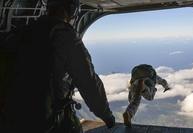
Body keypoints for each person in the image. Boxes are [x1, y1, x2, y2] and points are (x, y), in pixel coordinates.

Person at [4, 0, 115, 132]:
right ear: (71, 9)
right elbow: (88, 81)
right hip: (43, 118)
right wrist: (106, 115)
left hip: (11, 114)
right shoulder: (65, 35)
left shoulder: (25, 30)